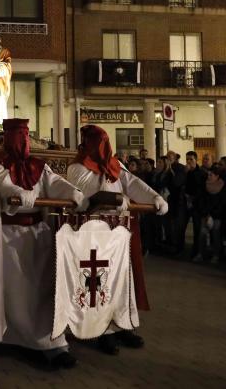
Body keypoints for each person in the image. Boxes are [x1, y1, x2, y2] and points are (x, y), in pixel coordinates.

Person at [0, 119, 83, 368]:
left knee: (43, 290)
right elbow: (2, 187)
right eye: (18, 134)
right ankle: (30, 341)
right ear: (7, 137)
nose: (23, 139)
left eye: (26, 134)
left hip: (39, 235)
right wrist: (18, 194)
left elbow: (55, 183)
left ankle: (50, 340)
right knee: (18, 294)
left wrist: (74, 194)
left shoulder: (38, 165)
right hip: (9, 239)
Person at [67, 125, 167, 355]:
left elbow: (132, 182)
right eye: (99, 142)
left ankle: (123, 325)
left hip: (119, 231)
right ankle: (103, 330)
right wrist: (115, 197)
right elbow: (88, 192)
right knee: (99, 281)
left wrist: (154, 197)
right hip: (95, 231)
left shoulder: (114, 164)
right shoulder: (78, 167)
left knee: (122, 279)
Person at [196, 165, 226, 263]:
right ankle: (201, 254)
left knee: (215, 234)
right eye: (208, 174)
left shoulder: (223, 186)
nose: (209, 176)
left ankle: (216, 255)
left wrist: (213, 214)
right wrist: (206, 213)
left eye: (211, 175)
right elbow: (201, 200)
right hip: (205, 214)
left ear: (217, 176)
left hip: (217, 215)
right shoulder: (204, 185)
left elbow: (223, 202)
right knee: (202, 234)